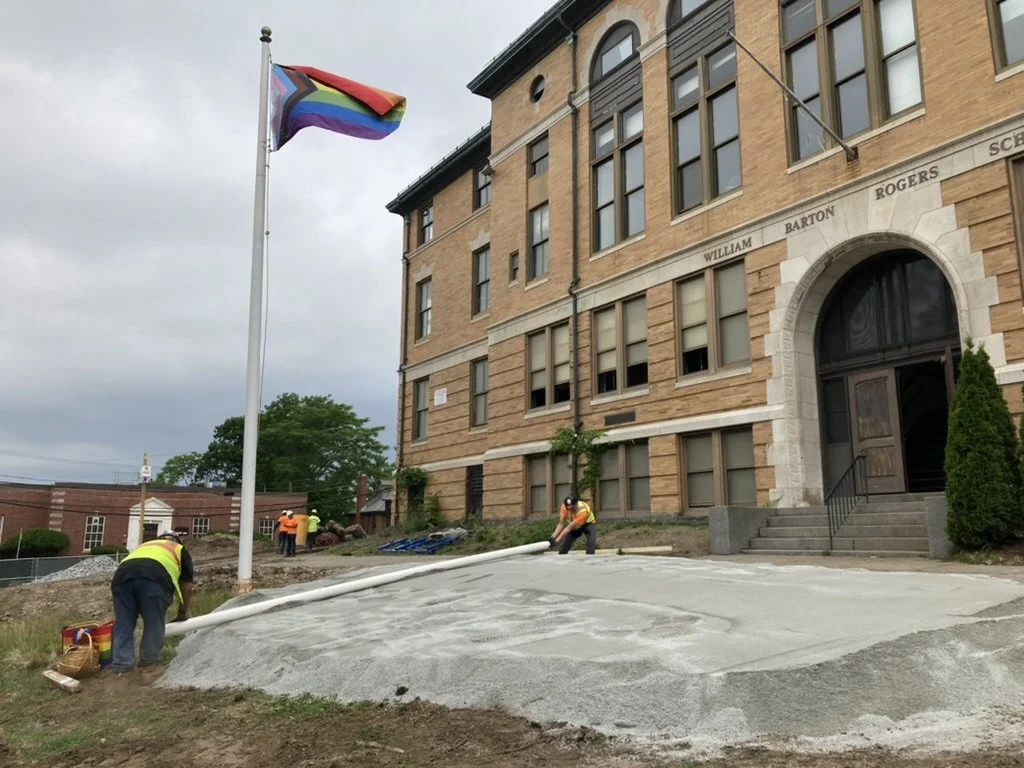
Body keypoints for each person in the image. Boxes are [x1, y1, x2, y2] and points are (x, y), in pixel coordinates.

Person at [109, 532, 194, 683]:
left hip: (121, 578)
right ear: (178, 542)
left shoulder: (144, 546)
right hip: (153, 580)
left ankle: (122, 670)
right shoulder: (179, 549)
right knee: (154, 624)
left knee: (124, 624)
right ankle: (147, 667)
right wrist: (182, 612)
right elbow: (187, 587)